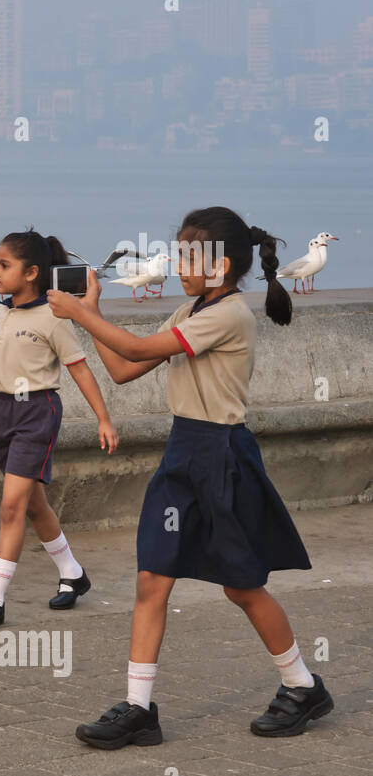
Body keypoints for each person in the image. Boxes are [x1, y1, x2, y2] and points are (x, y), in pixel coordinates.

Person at [47, 206, 332, 748]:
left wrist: (82, 317)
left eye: (187, 255)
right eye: (178, 253)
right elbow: (124, 369)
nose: (178, 263)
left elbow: (135, 349)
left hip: (222, 454)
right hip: (184, 451)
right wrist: (89, 312)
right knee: (153, 577)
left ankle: (302, 685)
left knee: (242, 587)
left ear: (220, 266)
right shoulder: (190, 309)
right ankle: (138, 709)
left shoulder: (228, 316)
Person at [0, 229, 119, 630]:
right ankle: (73, 573)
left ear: (33, 272)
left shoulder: (54, 316)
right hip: (0, 411)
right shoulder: (0, 312)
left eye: (4, 265)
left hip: (37, 412)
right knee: (33, 503)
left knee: (10, 506)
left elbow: (80, 369)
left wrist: (103, 419)